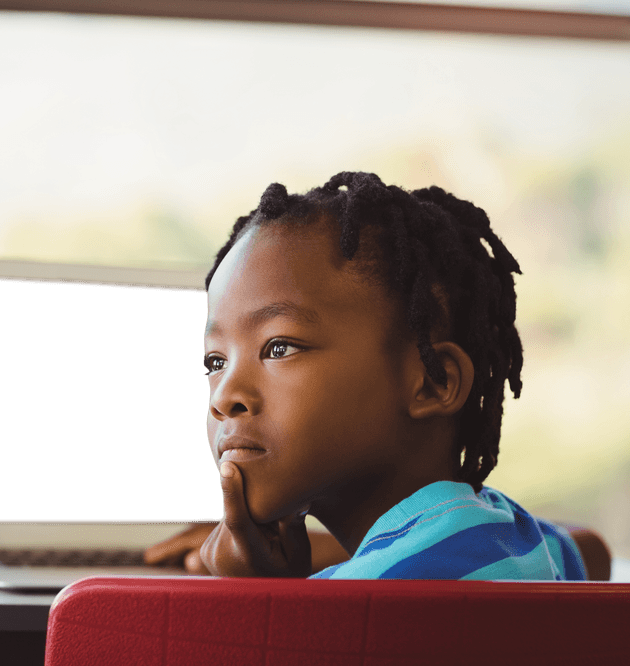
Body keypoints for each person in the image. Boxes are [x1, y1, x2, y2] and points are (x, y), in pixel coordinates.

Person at [143, 171, 594, 580]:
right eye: (215, 361)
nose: (224, 396)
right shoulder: (500, 531)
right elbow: (593, 551)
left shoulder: (370, 600)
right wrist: (335, 552)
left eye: (279, 348)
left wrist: (247, 595)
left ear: (433, 380)